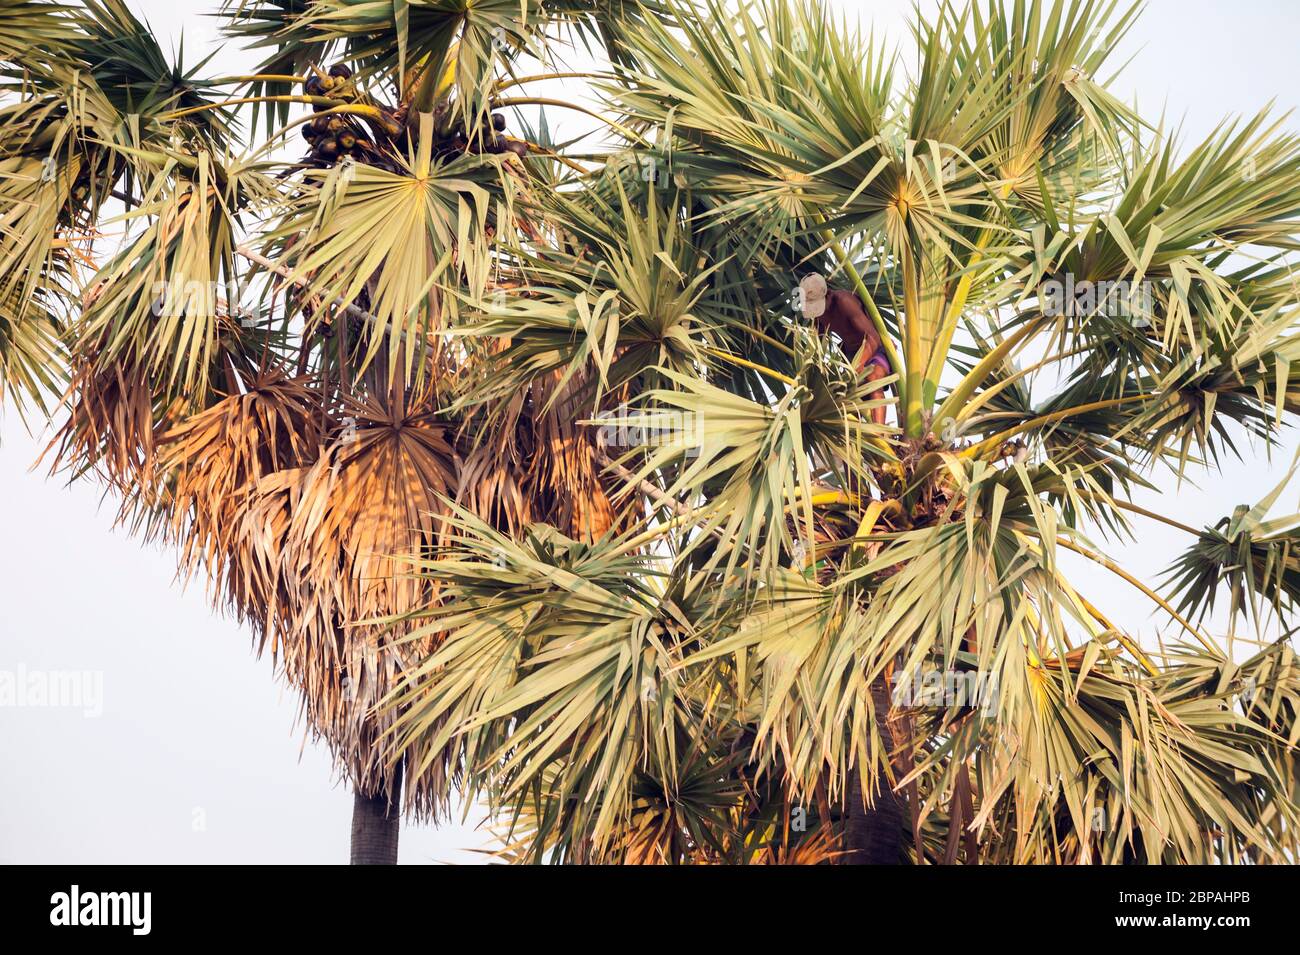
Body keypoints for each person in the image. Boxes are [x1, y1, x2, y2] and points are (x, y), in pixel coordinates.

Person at [799, 273, 891, 425]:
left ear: (827, 294)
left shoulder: (844, 301)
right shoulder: (818, 313)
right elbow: (817, 343)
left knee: (872, 378)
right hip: (850, 353)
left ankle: (881, 433)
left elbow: (873, 337)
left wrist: (858, 365)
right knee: (845, 397)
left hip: (876, 348)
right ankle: (859, 440)